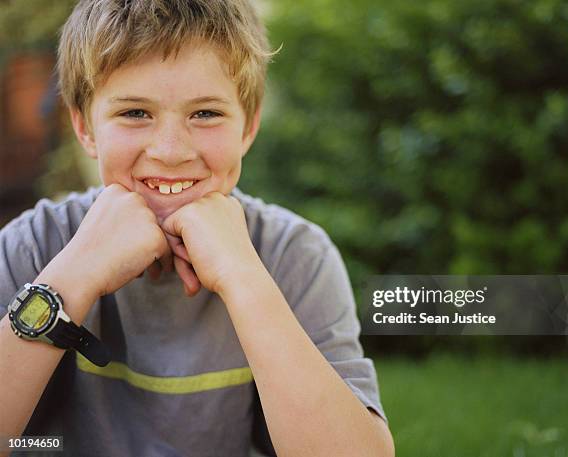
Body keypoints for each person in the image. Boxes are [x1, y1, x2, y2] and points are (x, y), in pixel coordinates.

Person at [0, 0, 394, 456]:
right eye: (134, 113)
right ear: (85, 127)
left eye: (205, 114)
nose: (170, 151)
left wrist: (243, 278)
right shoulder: (34, 245)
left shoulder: (295, 255)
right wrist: (73, 277)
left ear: (248, 126)